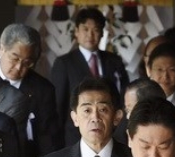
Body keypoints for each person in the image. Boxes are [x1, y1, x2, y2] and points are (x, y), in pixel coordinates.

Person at [51, 8, 129, 148]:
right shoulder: (64, 63)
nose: (90, 35)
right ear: (76, 31)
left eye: (95, 30)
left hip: (111, 133)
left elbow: (123, 97)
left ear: (101, 33)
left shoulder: (114, 61)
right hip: (74, 137)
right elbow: (58, 107)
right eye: (85, 29)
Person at [0, 23, 60, 157]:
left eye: (27, 63)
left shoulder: (42, 90)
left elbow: (48, 139)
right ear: (2, 48)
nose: (19, 67)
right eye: (15, 58)